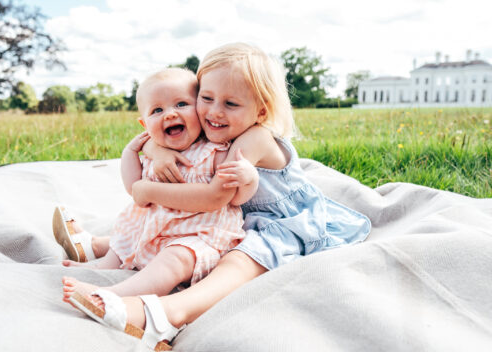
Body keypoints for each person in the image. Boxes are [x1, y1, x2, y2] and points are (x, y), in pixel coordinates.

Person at [62, 43, 371, 350]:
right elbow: (157, 135)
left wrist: (147, 189)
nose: (214, 112)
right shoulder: (217, 127)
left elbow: (216, 197)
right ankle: (96, 246)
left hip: (283, 223)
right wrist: (157, 150)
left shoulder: (254, 136)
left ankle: (169, 313)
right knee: (171, 224)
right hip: (240, 216)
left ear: (260, 110)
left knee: (239, 261)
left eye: (230, 104)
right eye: (206, 98)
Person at [54, 67, 255, 303]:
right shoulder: (153, 152)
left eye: (181, 104)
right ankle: (99, 272)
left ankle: (115, 295)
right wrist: (130, 151)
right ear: (144, 123)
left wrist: (249, 177)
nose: (169, 114)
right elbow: (133, 188)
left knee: (174, 260)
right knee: (122, 241)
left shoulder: (215, 150)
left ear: (200, 111)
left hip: (198, 236)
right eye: (157, 110)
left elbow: (236, 197)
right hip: (151, 230)